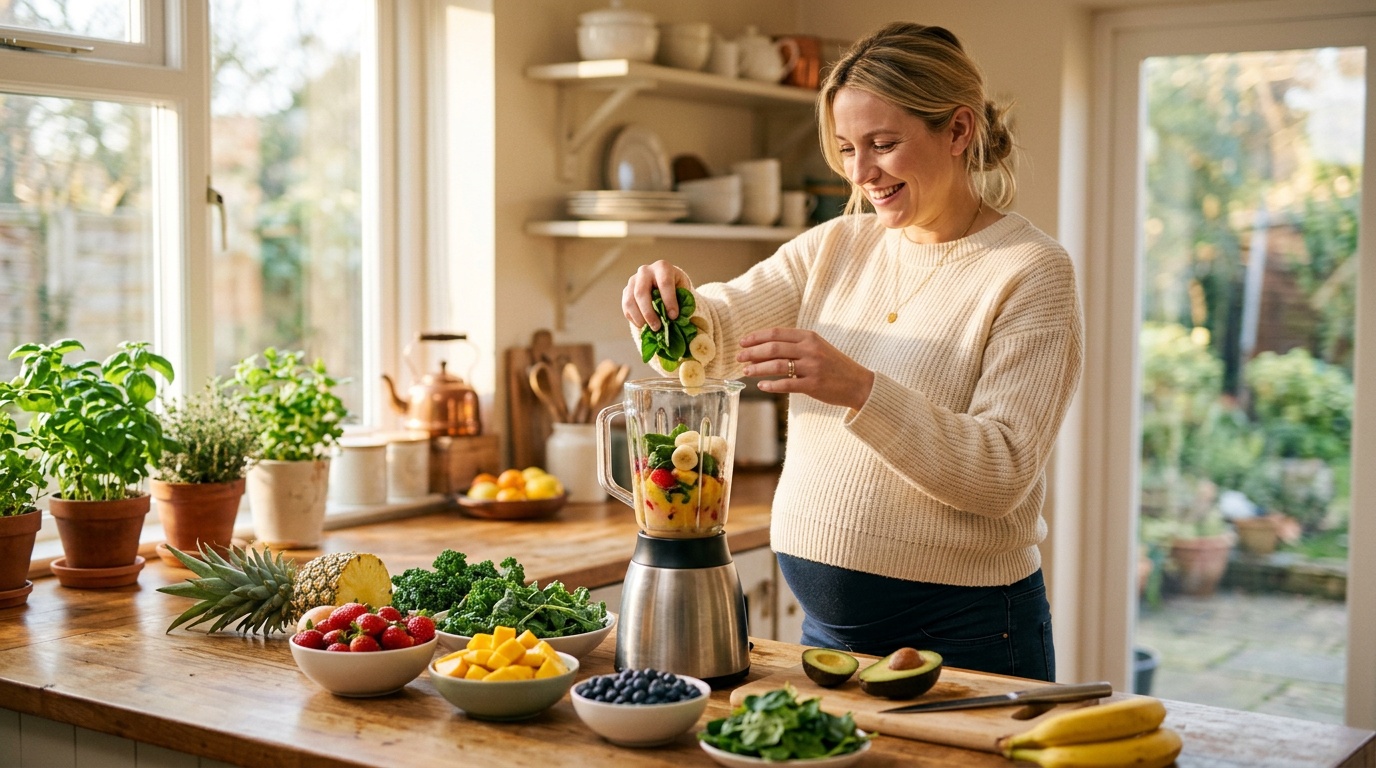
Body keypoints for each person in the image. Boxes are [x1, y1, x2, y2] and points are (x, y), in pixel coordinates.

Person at [620, 21, 1083, 681]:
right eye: (846, 148)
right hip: (829, 635)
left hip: (969, 633)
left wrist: (861, 390)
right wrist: (664, 300)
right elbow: (715, 339)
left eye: (883, 145)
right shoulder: (835, 246)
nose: (861, 173)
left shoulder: (1031, 270)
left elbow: (1001, 473)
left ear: (957, 131)